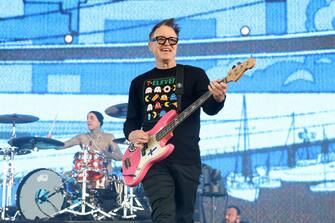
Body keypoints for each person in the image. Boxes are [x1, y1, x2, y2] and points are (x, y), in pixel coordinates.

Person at [123, 18, 228, 223]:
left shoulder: (194, 75)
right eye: (160, 39)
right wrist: (132, 133)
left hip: (186, 158)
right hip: (151, 160)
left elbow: (210, 109)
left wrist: (218, 97)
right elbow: (131, 121)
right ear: (151, 45)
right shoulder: (139, 83)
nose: (167, 44)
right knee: (163, 214)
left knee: (184, 216)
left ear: (177, 44)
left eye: (172, 40)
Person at [59, 111, 123, 178]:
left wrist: (105, 153)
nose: (88, 120)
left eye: (91, 118)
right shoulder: (82, 137)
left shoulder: (109, 137)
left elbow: (120, 157)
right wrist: (50, 141)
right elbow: (62, 145)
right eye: (87, 118)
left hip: (105, 176)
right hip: (85, 176)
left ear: (99, 122)